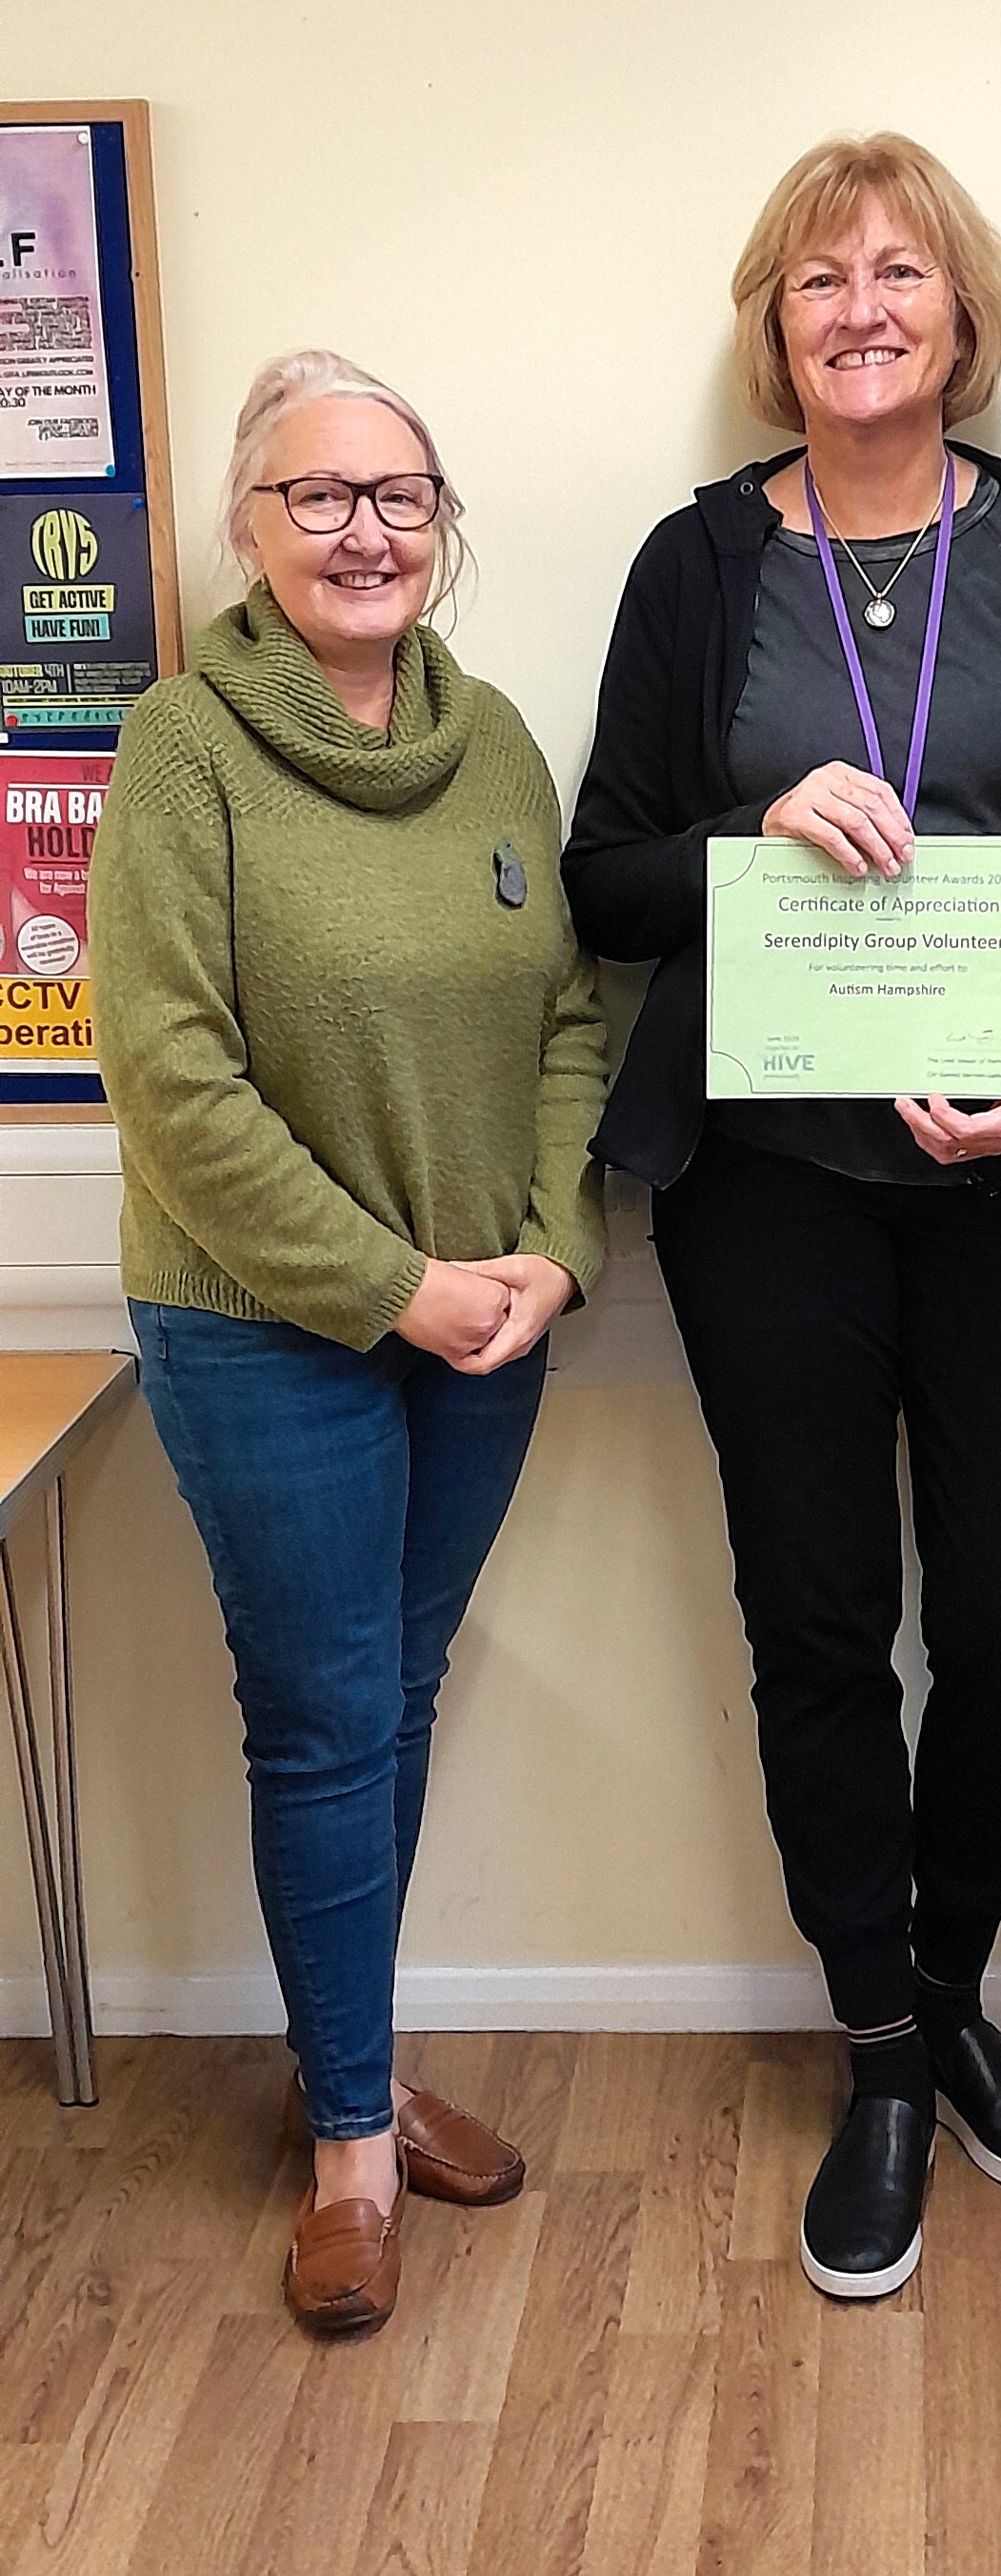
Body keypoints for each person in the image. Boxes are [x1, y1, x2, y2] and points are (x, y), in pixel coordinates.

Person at [564, 133, 1001, 2299]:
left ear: (960, 313)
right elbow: (604, 874)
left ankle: (954, 1980)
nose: (860, 310)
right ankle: (883, 2053)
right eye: (818, 279)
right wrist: (750, 825)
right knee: (818, 1618)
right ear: (776, 326)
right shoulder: (695, 563)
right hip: (774, 1191)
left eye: (899, 271)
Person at [90, 351, 609, 2335]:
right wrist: (395, 1285)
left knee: (393, 1697)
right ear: (251, 528)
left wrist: (549, 1251)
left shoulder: (496, 746)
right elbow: (174, 1082)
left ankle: (355, 2063)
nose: (365, 530)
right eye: (318, 496)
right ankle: (348, 2149)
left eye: (400, 493)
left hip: (488, 1327)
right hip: (264, 1332)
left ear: (440, 521)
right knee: (321, 1717)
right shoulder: (181, 748)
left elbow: (567, 1018)